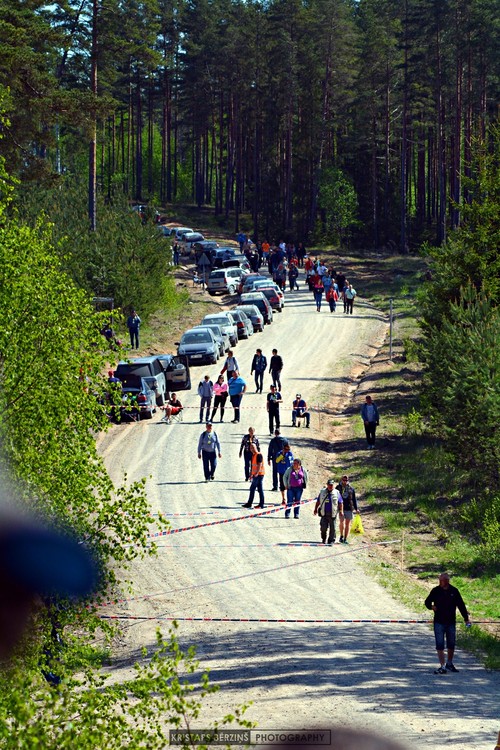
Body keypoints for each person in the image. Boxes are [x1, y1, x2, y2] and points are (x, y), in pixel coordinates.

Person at [425, 573, 471, 674]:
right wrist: (432, 607)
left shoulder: (454, 591)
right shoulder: (435, 590)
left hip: (451, 622)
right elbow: (427, 602)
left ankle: (449, 663)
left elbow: (461, 605)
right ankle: (442, 665)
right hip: (439, 622)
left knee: (451, 643)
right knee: (440, 644)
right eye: (439, 580)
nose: (440, 582)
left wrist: (466, 618)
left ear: (447, 581)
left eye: (441, 580)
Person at [314, 478, 343, 544]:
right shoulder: (322, 492)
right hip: (324, 513)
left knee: (333, 529)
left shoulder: (337, 492)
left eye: (332, 485)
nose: (330, 486)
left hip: (333, 513)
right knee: (323, 528)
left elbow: (340, 502)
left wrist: (341, 511)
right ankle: (324, 538)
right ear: (327, 485)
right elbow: (318, 501)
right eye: (329, 485)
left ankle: (331, 541)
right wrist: (315, 509)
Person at [336, 475, 357, 543]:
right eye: (343, 480)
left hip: (349, 508)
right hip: (340, 508)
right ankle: (341, 536)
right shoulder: (338, 488)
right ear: (341, 480)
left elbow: (354, 499)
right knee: (341, 522)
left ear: (348, 481)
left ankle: (345, 538)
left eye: (346, 480)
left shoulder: (351, 489)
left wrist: (356, 508)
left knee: (347, 524)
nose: (345, 481)